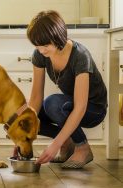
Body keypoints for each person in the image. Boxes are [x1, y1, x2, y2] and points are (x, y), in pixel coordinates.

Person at [26, 10, 107, 168]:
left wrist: (55, 144)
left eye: (45, 45)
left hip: (93, 110)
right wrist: (24, 134)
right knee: (25, 117)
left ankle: (82, 147)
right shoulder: (40, 55)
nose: (41, 50)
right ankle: (68, 141)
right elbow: (36, 97)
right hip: (70, 106)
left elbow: (81, 106)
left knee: (52, 103)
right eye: (37, 45)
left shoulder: (80, 56)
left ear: (57, 37)